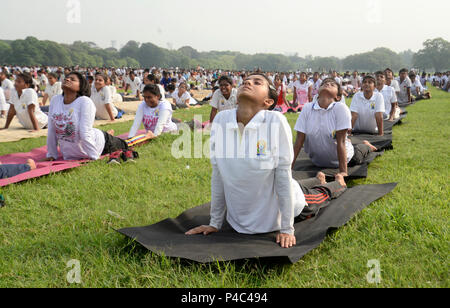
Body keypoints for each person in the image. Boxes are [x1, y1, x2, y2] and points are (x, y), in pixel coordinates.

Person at [185, 73, 307, 248]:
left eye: (257, 82)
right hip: (238, 221)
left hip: (282, 209)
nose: (248, 82)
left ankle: (330, 182)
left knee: (319, 193)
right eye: (245, 81)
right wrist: (215, 222)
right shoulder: (221, 120)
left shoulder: (275, 121)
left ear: (268, 102)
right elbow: (218, 174)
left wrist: (287, 228)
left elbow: (283, 175)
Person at [292, 78, 378, 177]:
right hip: (317, 162)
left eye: (332, 85)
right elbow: (299, 140)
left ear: (337, 97)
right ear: (318, 93)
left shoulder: (341, 108)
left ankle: (366, 145)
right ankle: (351, 141)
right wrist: (289, 168)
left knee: (358, 153)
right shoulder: (307, 108)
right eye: (324, 83)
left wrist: (343, 172)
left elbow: (340, 141)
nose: (327, 84)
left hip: (341, 160)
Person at [45, 72, 134, 164]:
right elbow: (51, 129)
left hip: (101, 144)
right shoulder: (55, 100)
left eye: (72, 79)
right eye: (66, 78)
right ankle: (107, 133)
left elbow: (85, 132)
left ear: (81, 86)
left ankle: (109, 134)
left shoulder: (85, 102)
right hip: (70, 154)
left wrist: (94, 156)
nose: (67, 79)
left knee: (125, 144)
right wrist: (51, 155)